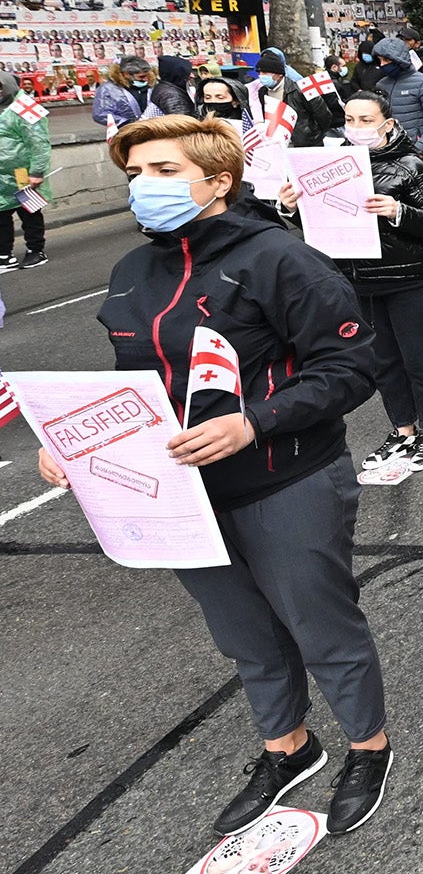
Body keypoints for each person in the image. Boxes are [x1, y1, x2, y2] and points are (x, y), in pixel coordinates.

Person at [41, 115, 393, 835]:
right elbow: (132, 388)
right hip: (183, 494)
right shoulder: (132, 271)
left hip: (285, 478)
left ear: (218, 181)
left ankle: (368, 745)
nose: (144, 186)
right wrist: (75, 447)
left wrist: (254, 420)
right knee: (242, 633)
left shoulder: (279, 258)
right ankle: (287, 748)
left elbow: (351, 367)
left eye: (164, 171)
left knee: (321, 624)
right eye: (136, 173)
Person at [277, 94, 423, 478]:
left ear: (387, 123)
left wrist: (397, 211)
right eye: (350, 119)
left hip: (408, 280)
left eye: (366, 119)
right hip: (357, 281)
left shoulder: (411, 166)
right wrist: (290, 209)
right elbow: (322, 227)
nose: (357, 127)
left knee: (419, 360)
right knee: (384, 362)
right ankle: (402, 428)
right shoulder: (329, 165)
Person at [369, 36, 423, 273]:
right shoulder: (382, 85)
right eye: (380, 59)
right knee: (397, 208)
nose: (383, 63)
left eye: (387, 59)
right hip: (388, 156)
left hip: (422, 158)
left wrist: (420, 150)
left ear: (399, 59)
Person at [0, 72, 52, 269]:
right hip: (1, 175)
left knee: (29, 212)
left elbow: (39, 143)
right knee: (1, 215)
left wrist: (37, 171)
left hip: (22, 172)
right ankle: (4, 253)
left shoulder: (25, 108)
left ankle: (36, 250)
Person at [92, 55, 155, 128]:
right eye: (141, 77)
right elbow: (100, 114)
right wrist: (126, 123)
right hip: (124, 131)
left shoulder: (151, 86)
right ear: (127, 74)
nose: (146, 79)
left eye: (147, 76)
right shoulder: (108, 89)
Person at [152, 54, 198, 118]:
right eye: (187, 73)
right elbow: (183, 122)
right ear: (177, 73)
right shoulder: (170, 95)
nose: (192, 76)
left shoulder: (167, 87)